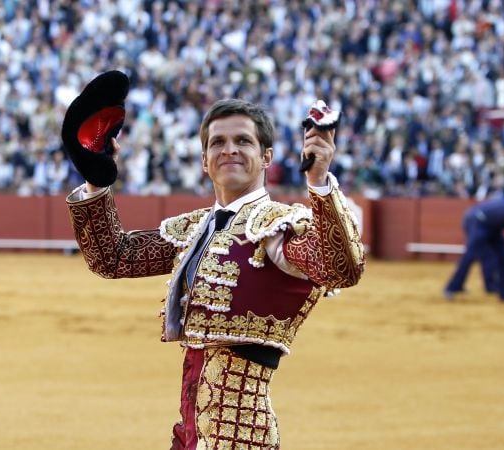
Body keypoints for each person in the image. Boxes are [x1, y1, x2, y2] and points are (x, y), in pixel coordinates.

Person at [66, 99, 365, 449]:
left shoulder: (276, 227)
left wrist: (318, 182)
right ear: (204, 161)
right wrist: (95, 180)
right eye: (218, 143)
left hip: (242, 438)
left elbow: (340, 268)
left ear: (266, 157)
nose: (230, 150)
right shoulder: (195, 229)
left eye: (243, 141)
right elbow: (113, 258)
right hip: (190, 435)